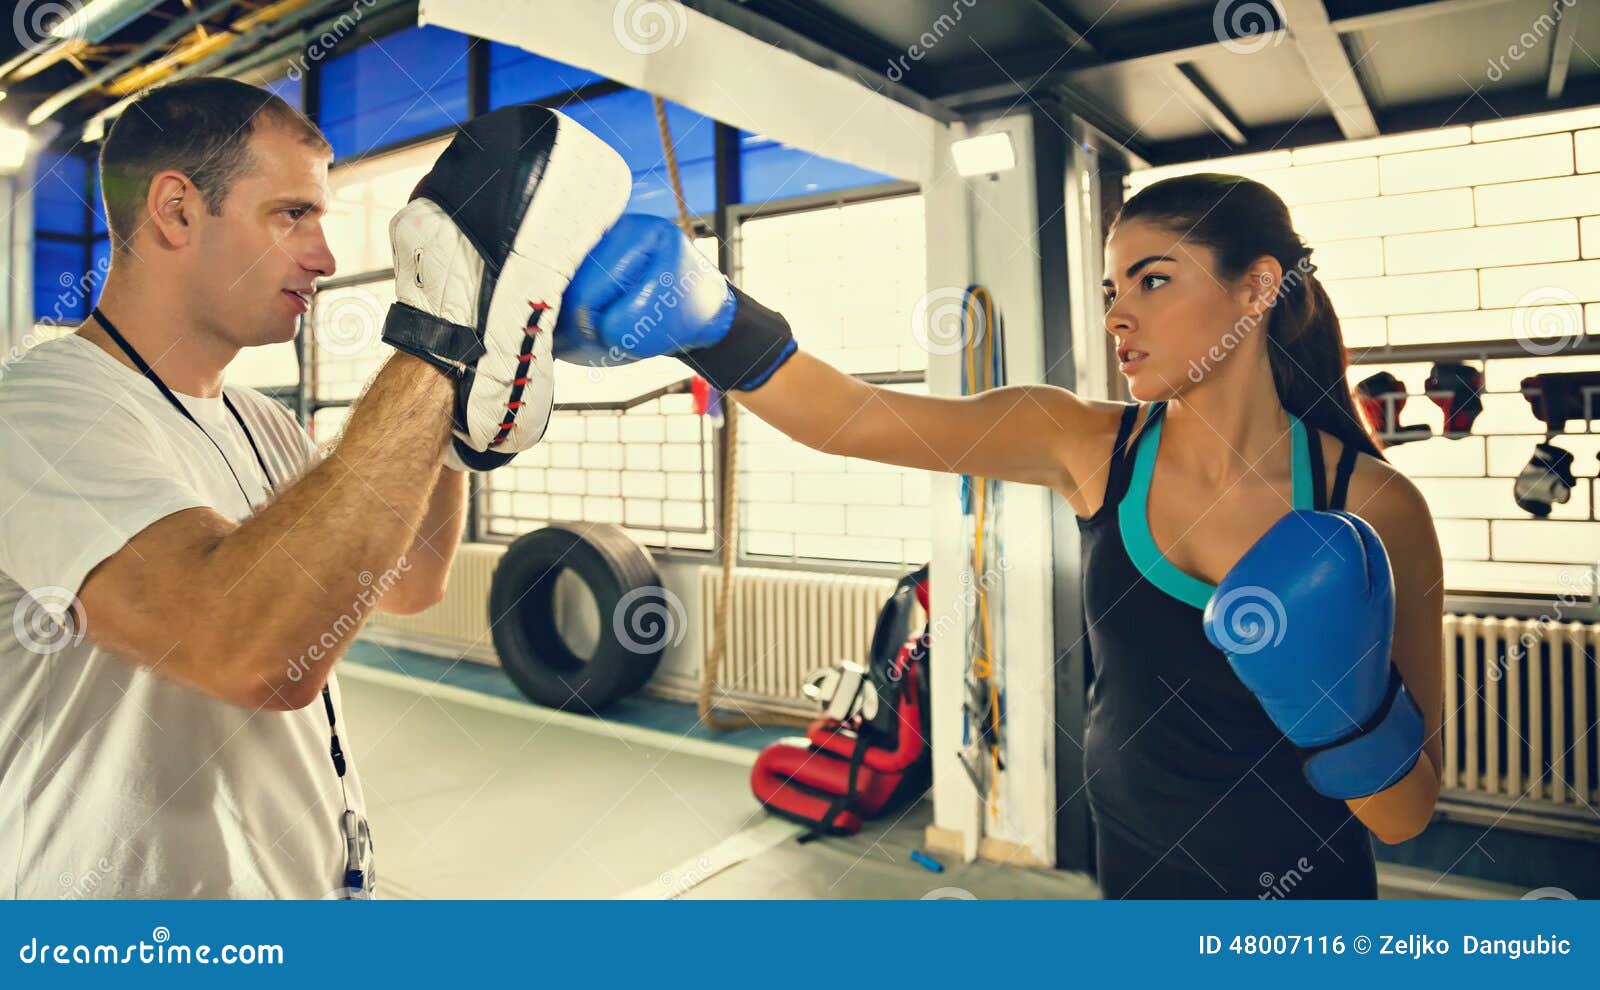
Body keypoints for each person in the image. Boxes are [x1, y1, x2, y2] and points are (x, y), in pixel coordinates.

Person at [552, 174, 1446, 899]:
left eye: (1155, 279)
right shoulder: (1084, 445)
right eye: (1111, 289)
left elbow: (1406, 814)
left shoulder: (1374, 507)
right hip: (1132, 879)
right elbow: (849, 419)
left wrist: (1346, 713)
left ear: (1255, 288)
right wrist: (710, 320)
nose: (1117, 317)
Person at [0, 78, 624, 897]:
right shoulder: (34, 414)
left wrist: (460, 416)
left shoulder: (259, 421)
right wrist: (435, 344)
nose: (325, 256)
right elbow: (251, 649)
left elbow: (403, 580)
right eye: (292, 214)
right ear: (177, 211)